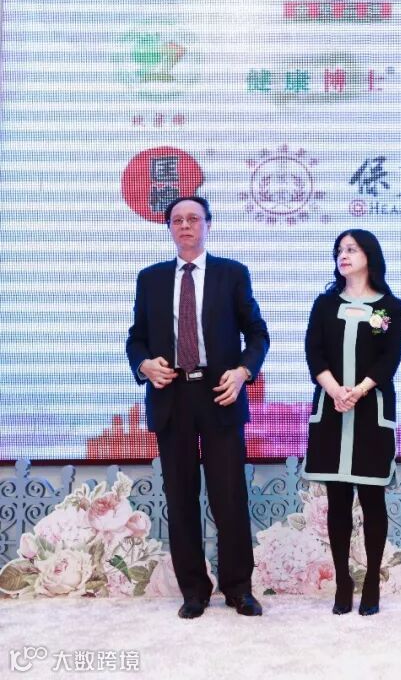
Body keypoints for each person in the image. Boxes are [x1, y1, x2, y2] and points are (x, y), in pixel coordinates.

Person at [126, 195, 269, 619]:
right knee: (181, 497)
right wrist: (144, 364)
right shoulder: (151, 279)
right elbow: (136, 337)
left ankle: (238, 588)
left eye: (193, 218)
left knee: (229, 497)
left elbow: (257, 333)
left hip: (220, 393)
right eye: (177, 220)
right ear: (169, 228)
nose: (185, 225)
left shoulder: (232, 274)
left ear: (208, 224)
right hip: (172, 396)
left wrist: (243, 372)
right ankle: (193, 590)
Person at [302, 229, 401, 616]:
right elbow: (313, 352)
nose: (343, 256)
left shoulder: (387, 308)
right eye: (339, 250)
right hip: (331, 411)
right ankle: (343, 583)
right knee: (338, 501)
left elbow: (388, 359)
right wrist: (334, 390)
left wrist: (357, 391)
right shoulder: (326, 304)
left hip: (370, 412)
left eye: (352, 249)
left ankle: (372, 581)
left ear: (369, 256)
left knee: (373, 499)